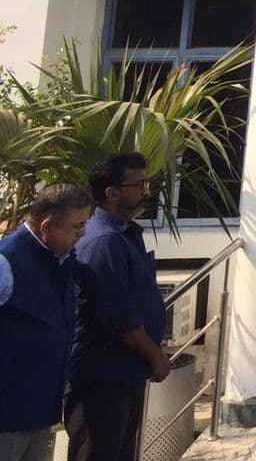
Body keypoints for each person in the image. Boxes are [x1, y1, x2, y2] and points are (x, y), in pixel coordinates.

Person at [66, 154, 171, 461]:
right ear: (112, 193)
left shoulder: (124, 234)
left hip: (125, 373)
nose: (146, 192)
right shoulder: (104, 241)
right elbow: (118, 316)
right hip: (103, 377)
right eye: (138, 185)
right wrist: (155, 356)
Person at [0, 184, 93, 461]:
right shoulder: (6, 261)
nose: (83, 233)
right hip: (6, 418)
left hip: (38, 413)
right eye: (77, 226)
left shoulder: (60, 260)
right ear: (47, 226)